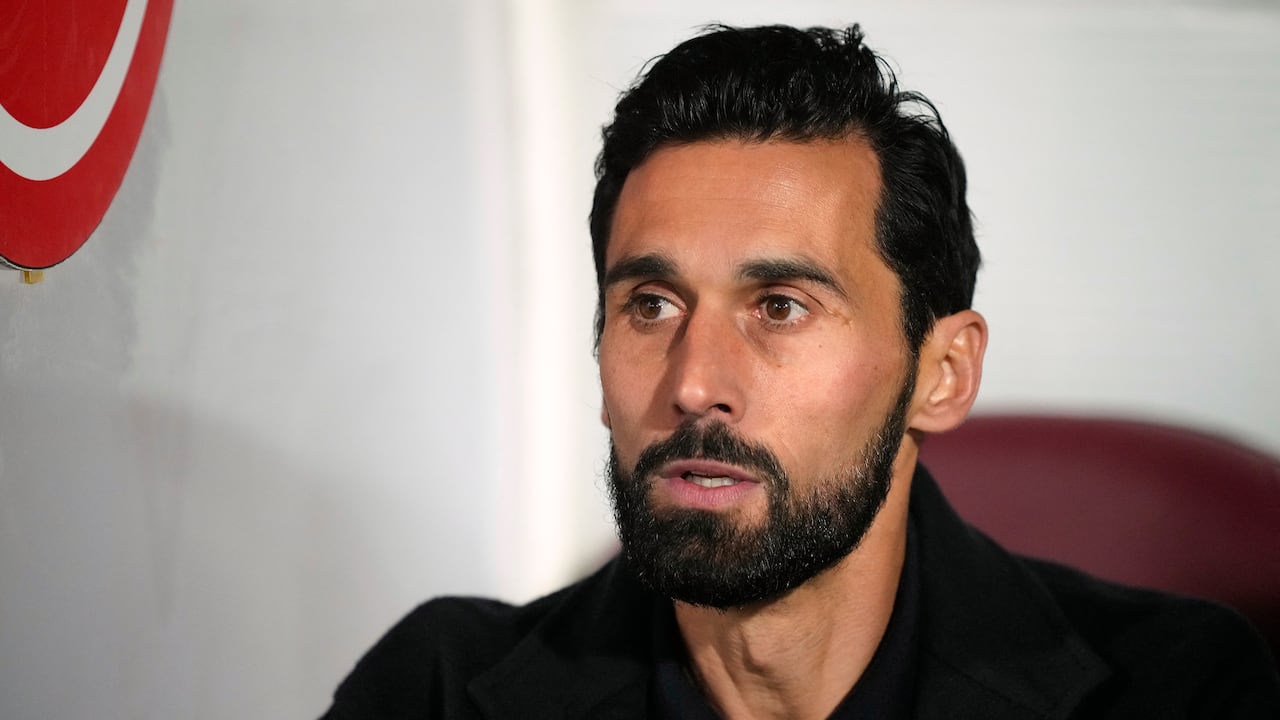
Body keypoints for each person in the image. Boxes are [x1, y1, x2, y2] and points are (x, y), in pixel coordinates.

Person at [322, 24, 1280, 719]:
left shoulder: (1182, 692)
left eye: (781, 307)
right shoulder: (440, 690)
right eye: (650, 306)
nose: (694, 383)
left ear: (941, 374)